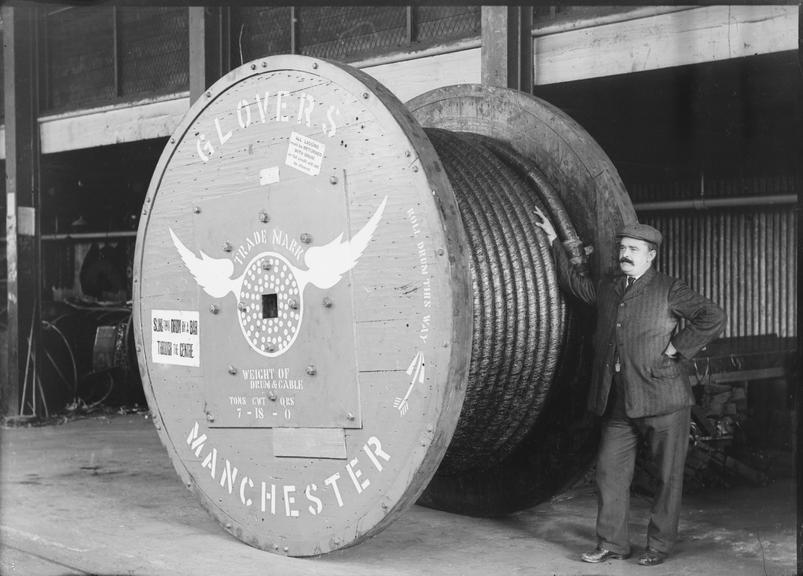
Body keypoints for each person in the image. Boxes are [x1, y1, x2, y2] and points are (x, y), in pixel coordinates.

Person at [534, 208, 726, 567]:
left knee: (667, 480)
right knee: (609, 474)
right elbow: (577, 287)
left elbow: (712, 316)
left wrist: (676, 349)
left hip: (664, 400)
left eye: (634, 249)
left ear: (651, 255)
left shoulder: (669, 288)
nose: (625, 254)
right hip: (618, 401)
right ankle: (612, 544)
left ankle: (659, 546)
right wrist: (554, 243)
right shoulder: (609, 286)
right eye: (623, 247)